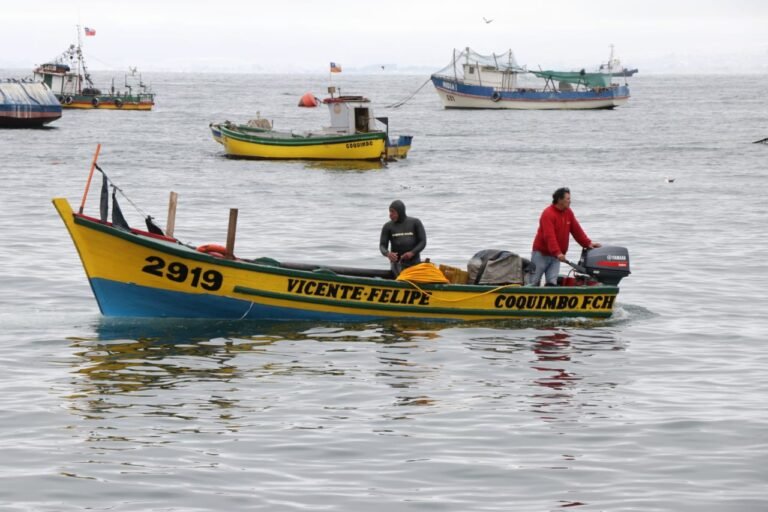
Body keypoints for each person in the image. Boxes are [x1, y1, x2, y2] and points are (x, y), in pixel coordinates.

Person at [528, 187, 601, 286]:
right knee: (533, 282)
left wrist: (587, 243)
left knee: (552, 284)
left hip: (556, 257)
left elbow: (577, 230)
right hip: (541, 254)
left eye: (569, 199)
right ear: (559, 200)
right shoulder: (548, 214)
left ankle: (551, 300)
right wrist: (557, 252)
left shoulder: (568, 212)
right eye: (567, 199)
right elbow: (549, 236)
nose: (570, 201)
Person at [380, 200, 427, 277]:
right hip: (397, 264)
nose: (390, 215)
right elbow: (382, 246)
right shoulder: (388, 226)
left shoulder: (415, 222)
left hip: (414, 263)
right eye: (390, 212)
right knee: (401, 278)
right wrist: (388, 254)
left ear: (400, 211)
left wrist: (412, 253)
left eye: (393, 212)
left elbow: (423, 242)